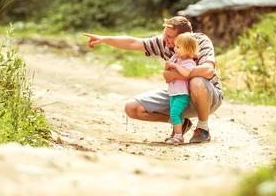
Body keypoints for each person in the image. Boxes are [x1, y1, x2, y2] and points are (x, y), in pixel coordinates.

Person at [83, 16, 223, 143]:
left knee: (196, 81)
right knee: (132, 107)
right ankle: (180, 122)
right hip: (179, 94)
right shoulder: (165, 44)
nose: (164, 39)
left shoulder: (200, 41)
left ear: (181, 38)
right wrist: (104, 39)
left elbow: (208, 71)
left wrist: (174, 75)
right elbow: (133, 43)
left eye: (169, 36)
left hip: (208, 97)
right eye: (164, 34)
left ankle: (203, 128)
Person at [163, 33, 197, 145]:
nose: (175, 49)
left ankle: (178, 137)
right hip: (173, 93)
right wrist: (168, 65)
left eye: (178, 47)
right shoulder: (175, 57)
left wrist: (176, 66)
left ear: (188, 50)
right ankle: (177, 134)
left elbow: (186, 73)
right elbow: (166, 70)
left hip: (182, 94)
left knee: (174, 113)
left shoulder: (189, 62)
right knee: (174, 114)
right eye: (175, 46)